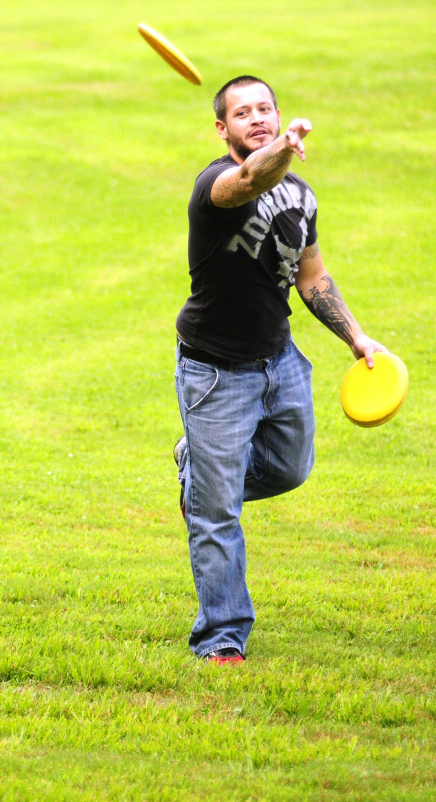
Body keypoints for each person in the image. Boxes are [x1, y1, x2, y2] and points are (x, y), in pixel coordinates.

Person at [173, 75, 385, 665]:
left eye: (266, 108)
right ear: (223, 129)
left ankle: (197, 471)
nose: (258, 118)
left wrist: (355, 335)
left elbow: (310, 275)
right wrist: (283, 148)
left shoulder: (301, 195)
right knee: (218, 517)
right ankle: (221, 638)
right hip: (215, 372)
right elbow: (249, 179)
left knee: (291, 469)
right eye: (243, 113)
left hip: (280, 360)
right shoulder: (214, 186)